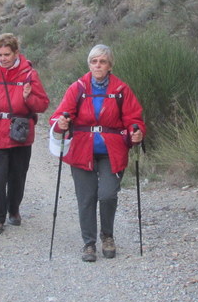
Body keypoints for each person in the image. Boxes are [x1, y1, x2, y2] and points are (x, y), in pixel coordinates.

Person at [51, 44, 145, 262]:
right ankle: (89, 243)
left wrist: (136, 132)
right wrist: (62, 122)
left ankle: (108, 236)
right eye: (94, 61)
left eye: (102, 61)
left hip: (112, 150)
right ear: (89, 64)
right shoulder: (78, 88)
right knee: (86, 197)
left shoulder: (121, 90)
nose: (98, 65)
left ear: (110, 65)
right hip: (82, 149)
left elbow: (134, 119)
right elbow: (58, 116)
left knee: (108, 194)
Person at [0, 33, 50, 234]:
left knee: (17, 176)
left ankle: (14, 210)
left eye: (6, 54)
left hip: (20, 132)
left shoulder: (30, 75)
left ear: (16, 53)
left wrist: (28, 98)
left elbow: (43, 104)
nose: (3, 59)